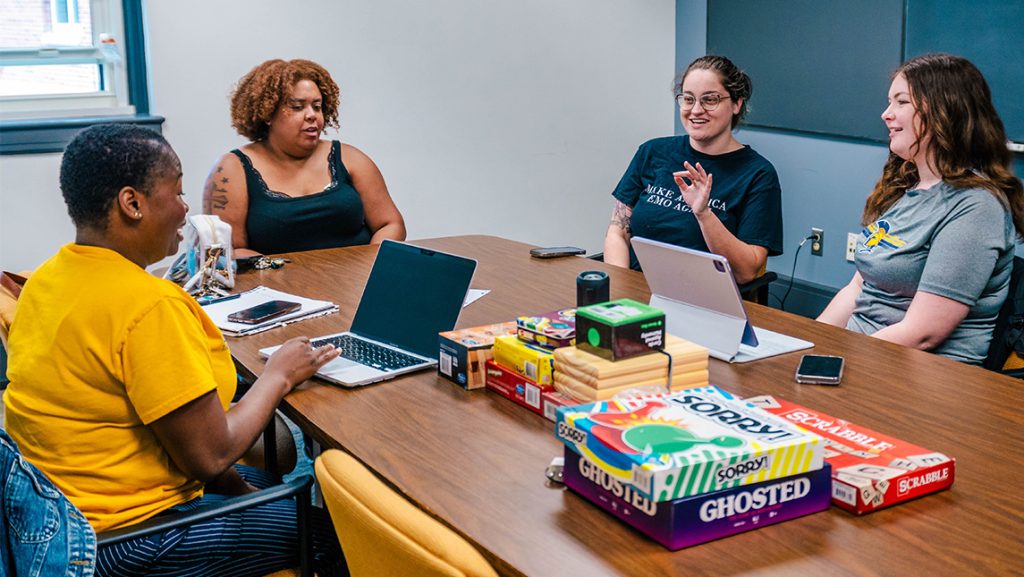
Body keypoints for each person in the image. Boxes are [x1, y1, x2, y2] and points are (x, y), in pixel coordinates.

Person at [3, 124, 347, 576]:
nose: (186, 212)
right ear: (133, 203)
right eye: (178, 192)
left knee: (268, 484)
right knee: (338, 536)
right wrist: (278, 374)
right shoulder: (148, 306)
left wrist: (245, 493)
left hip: (56, 516)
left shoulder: (48, 278)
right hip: (121, 541)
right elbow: (211, 454)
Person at [817, 53, 1023, 364]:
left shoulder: (975, 206)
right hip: (865, 356)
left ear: (943, 111)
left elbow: (923, 334)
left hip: (920, 377)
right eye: (889, 102)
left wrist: (839, 360)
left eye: (901, 102)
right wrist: (811, 345)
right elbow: (857, 287)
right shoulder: (904, 188)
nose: (886, 114)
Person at [603, 55, 783, 284]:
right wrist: (620, 289)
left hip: (706, 302)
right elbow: (617, 232)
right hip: (636, 293)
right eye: (688, 99)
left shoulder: (758, 174)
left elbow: (746, 271)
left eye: (710, 100)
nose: (696, 110)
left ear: (737, 104)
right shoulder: (652, 152)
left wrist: (704, 214)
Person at [203, 58, 406, 257]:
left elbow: (390, 224)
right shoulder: (232, 169)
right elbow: (229, 251)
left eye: (317, 106)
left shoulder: (350, 158)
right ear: (267, 114)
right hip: (276, 286)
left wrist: (370, 265)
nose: (312, 115)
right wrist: (289, 276)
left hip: (356, 283)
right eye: (298, 107)